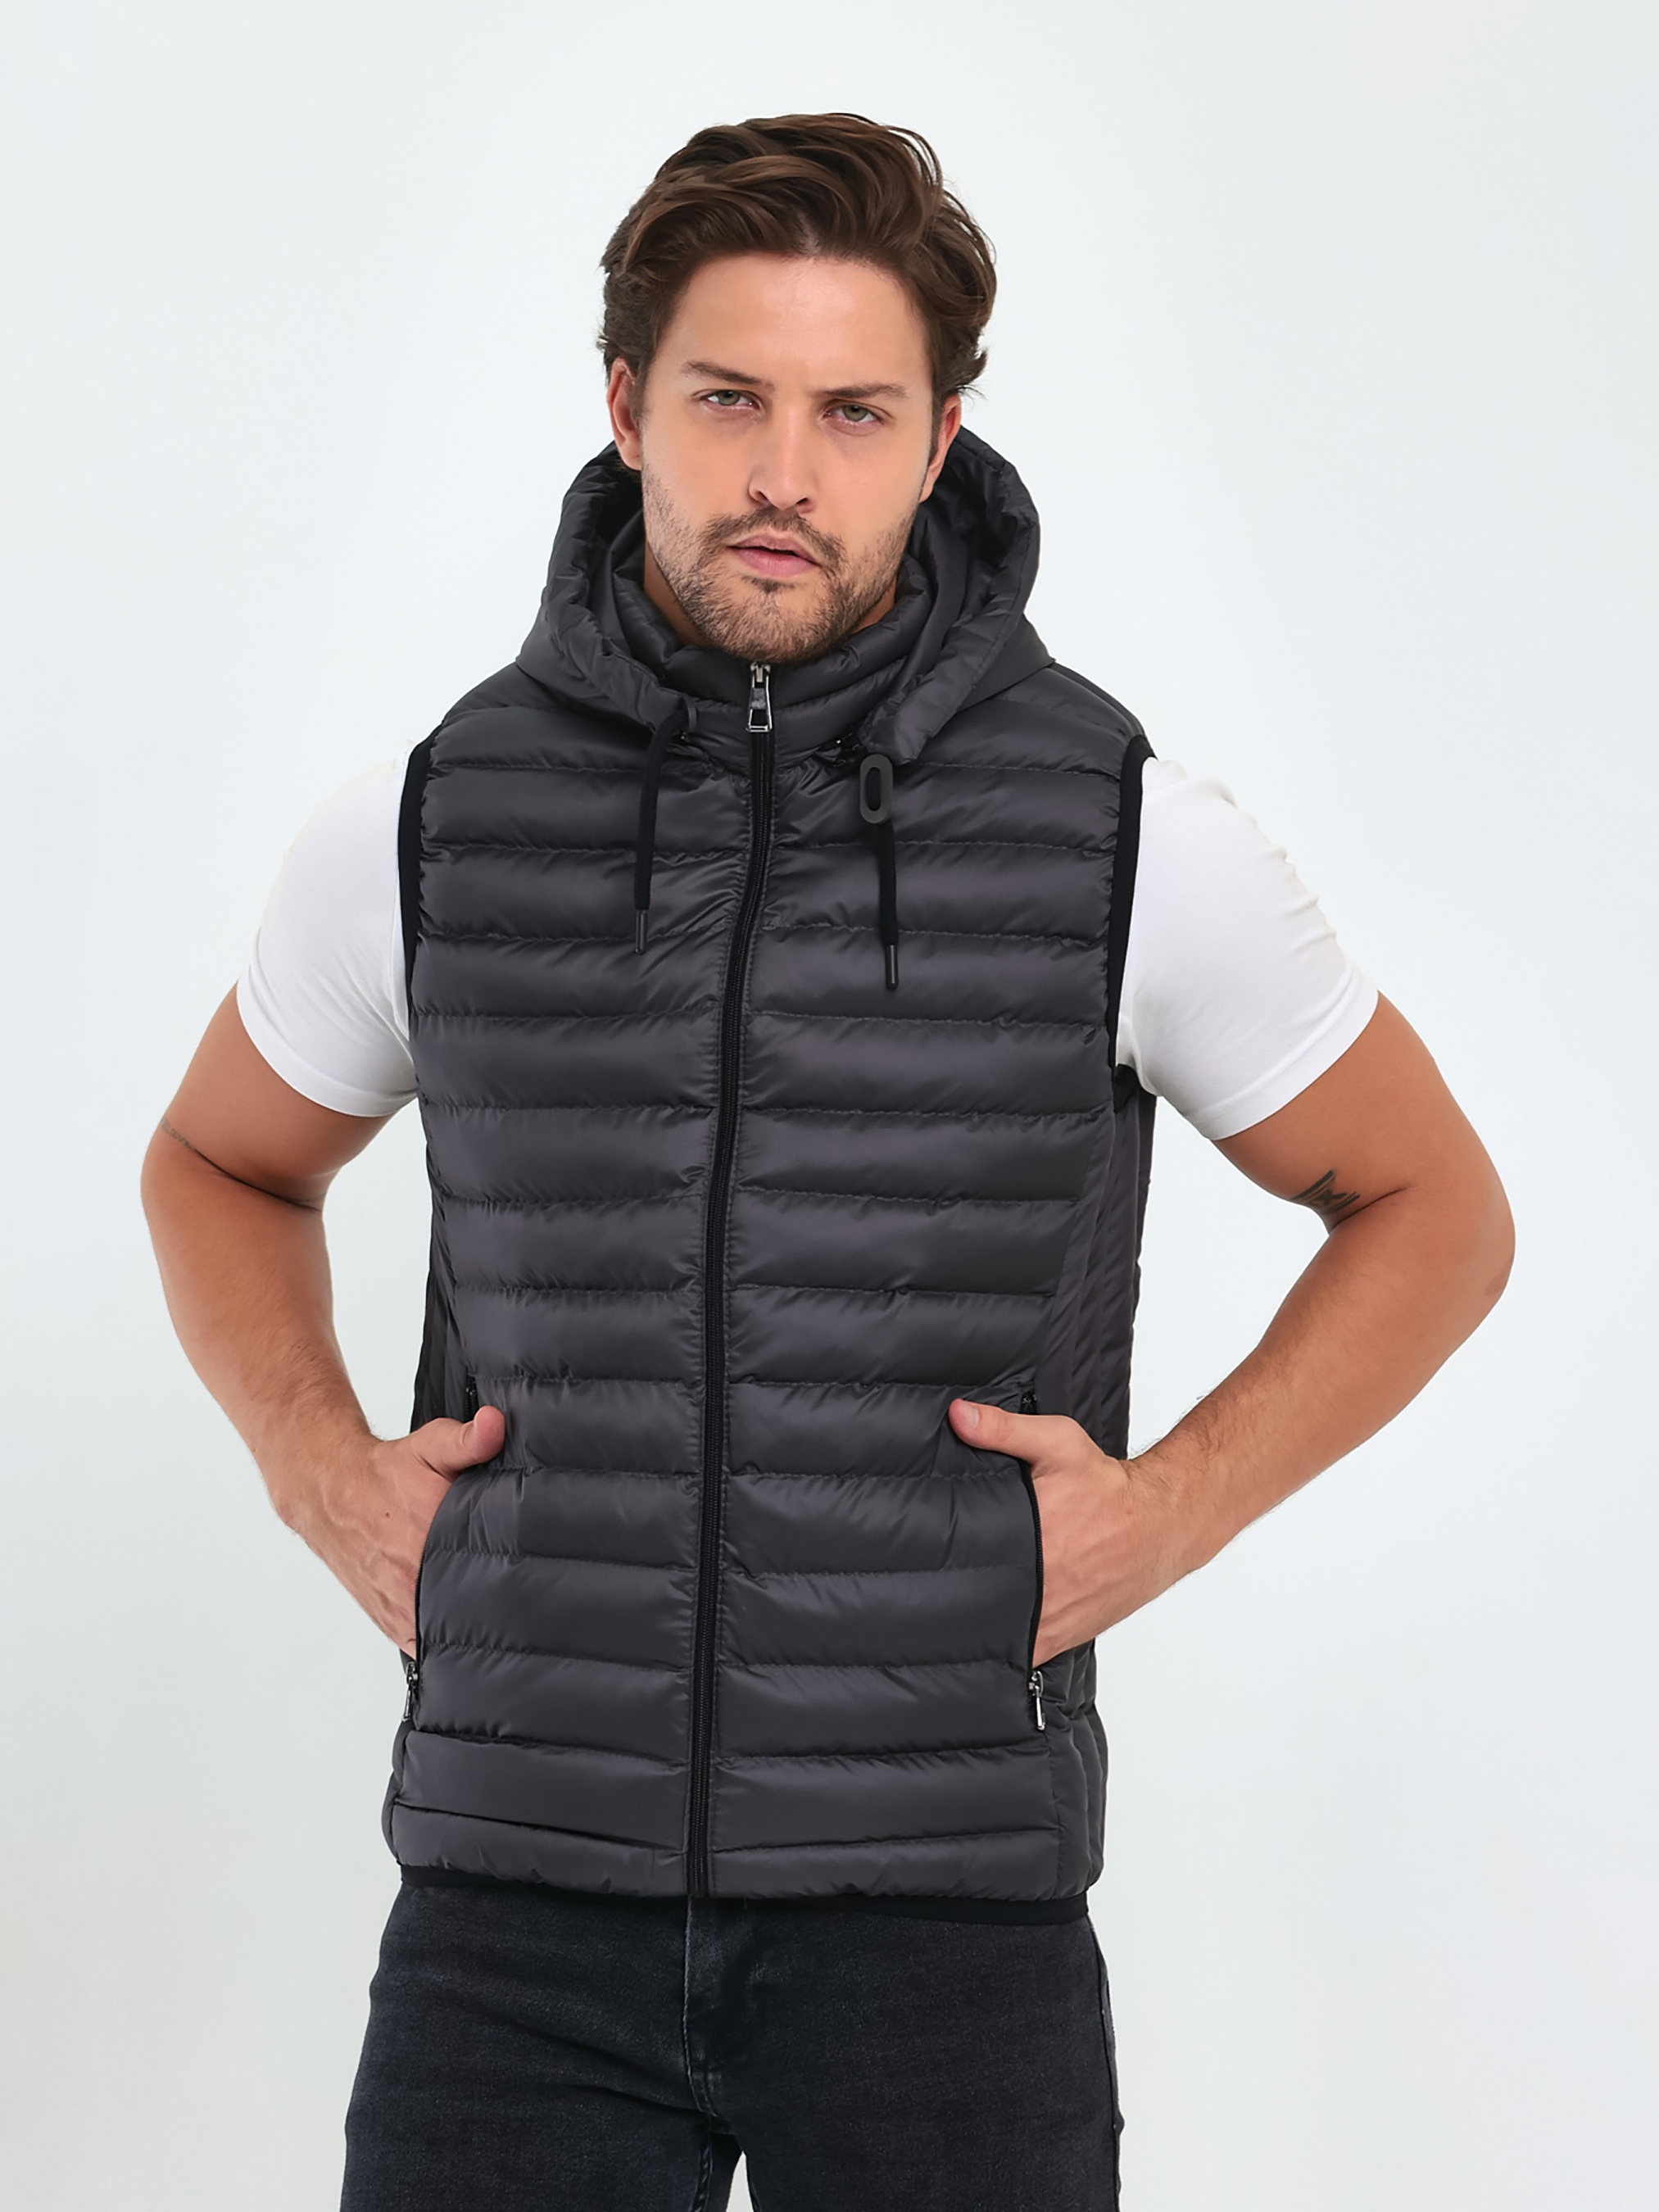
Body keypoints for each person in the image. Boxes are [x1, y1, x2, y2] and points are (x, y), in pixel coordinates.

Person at [141, 112, 1513, 2212]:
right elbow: (219, 1163)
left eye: (853, 413)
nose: (784, 471)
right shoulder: (433, 817)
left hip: (941, 1926)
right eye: (729, 399)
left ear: (940, 439)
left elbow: (1431, 1209)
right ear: (626, 408)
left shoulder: (1122, 833)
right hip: (513, 1917)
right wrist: (314, 1464)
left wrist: (1170, 1513)